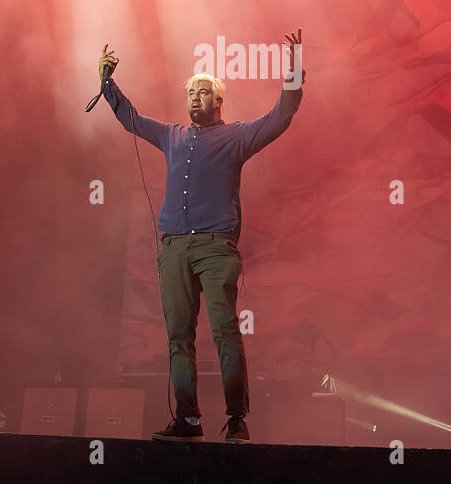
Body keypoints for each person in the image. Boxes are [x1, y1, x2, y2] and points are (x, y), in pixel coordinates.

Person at [99, 30, 305, 442]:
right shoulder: (172, 136)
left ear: (218, 101)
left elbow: (281, 115)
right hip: (173, 246)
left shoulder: (237, 136)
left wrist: (295, 67)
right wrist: (107, 84)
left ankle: (236, 418)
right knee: (178, 336)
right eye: (191, 91)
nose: (194, 96)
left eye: (203, 91)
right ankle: (188, 420)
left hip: (215, 247)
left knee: (225, 330)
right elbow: (132, 119)